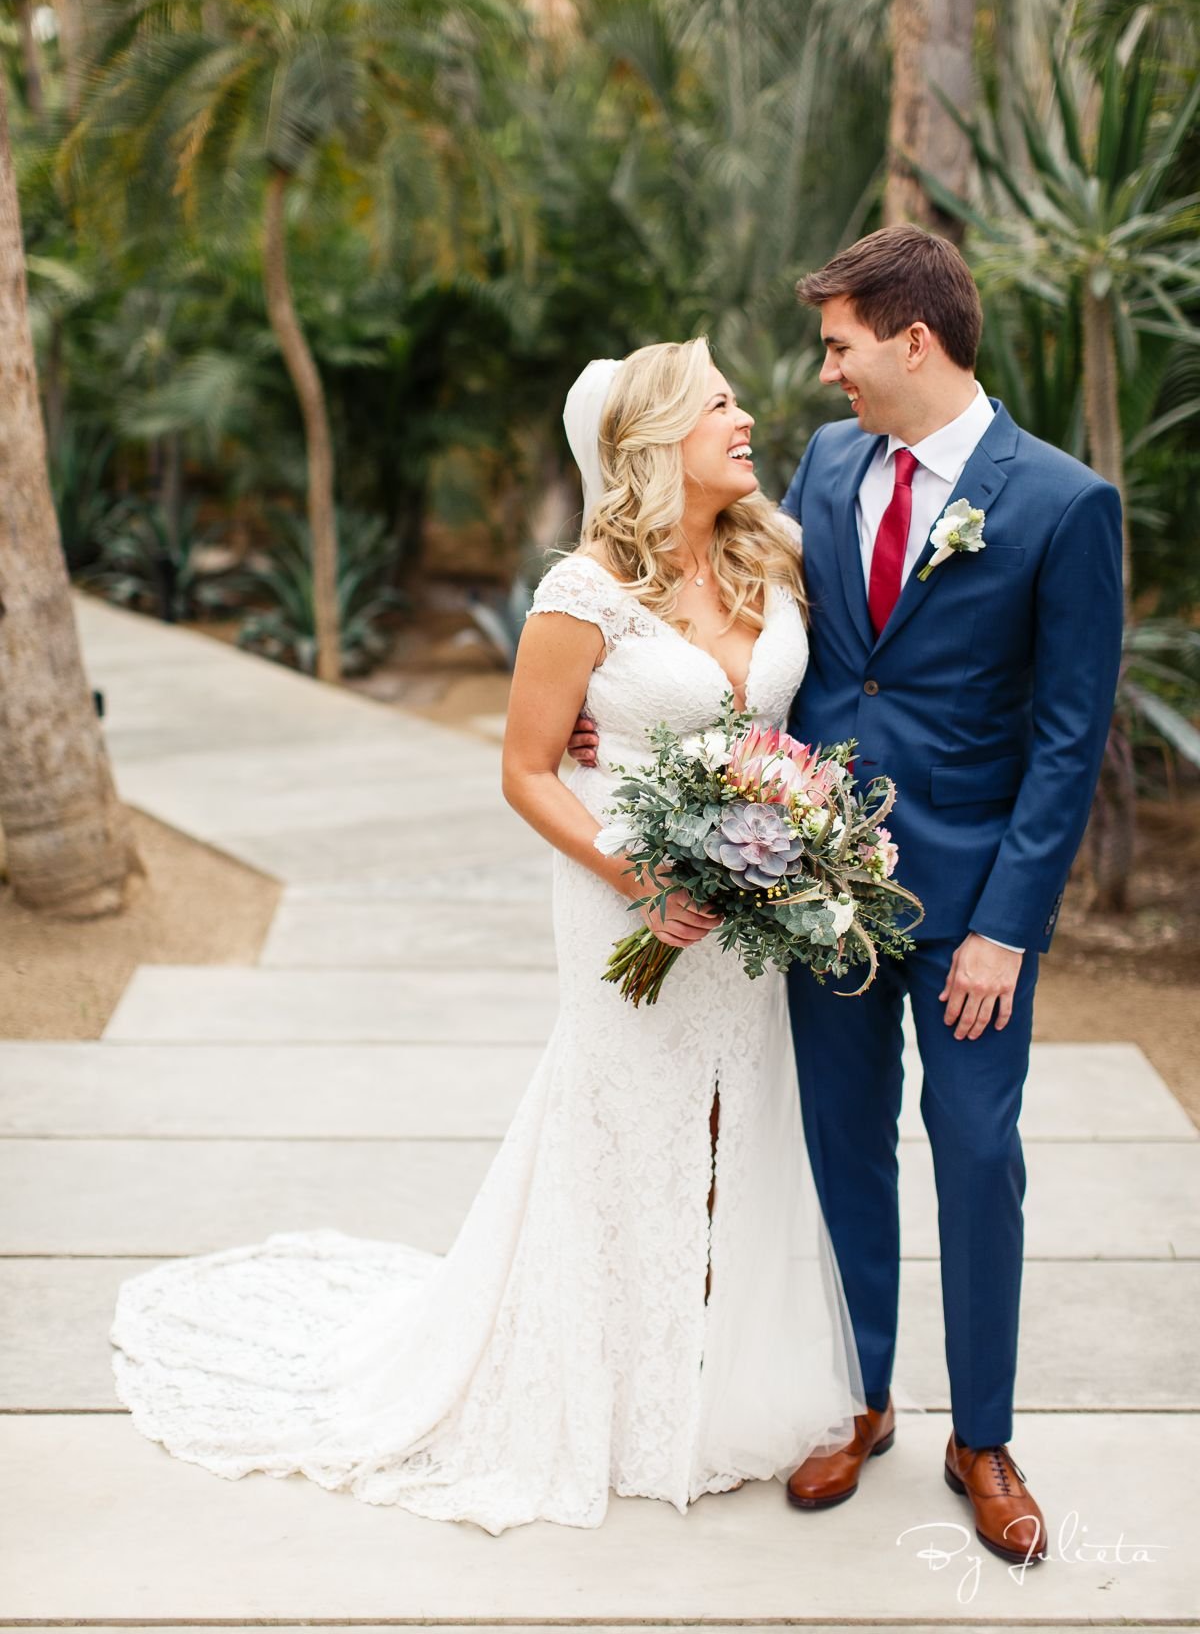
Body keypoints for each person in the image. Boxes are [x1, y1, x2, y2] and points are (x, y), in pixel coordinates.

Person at [108, 335, 865, 1536]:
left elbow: (799, 714)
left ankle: (710, 1379)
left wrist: (788, 833)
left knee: (739, 1120)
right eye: (720, 403)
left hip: (752, 903)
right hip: (627, 886)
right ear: (660, 438)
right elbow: (524, 768)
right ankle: (603, 1384)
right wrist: (642, 872)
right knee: (624, 1120)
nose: (746, 419)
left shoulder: (775, 555)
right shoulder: (582, 595)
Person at [570, 228, 1124, 1565]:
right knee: (841, 1145)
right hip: (813, 886)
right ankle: (861, 1395)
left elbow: (1068, 737)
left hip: (974, 906)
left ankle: (980, 1434)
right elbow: (743, 622)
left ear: (913, 341)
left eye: (841, 346)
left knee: (980, 1156)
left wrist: (1005, 926)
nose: (825, 375)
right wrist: (616, 717)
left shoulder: (1060, 504)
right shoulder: (826, 468)